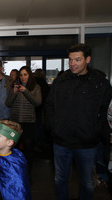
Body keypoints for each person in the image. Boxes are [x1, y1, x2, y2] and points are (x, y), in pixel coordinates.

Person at [45, 43, 112, 200]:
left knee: (87, 183)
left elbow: (105, 111)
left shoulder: (100, 83)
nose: (73, 64)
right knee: (60, 180)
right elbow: (49, 105)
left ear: (87, 59)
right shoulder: (60, 81)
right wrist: (53, 128)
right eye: (70, 60)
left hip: (87, 144)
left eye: (77, 59)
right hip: (61, 142)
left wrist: (99, 132)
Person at [5, 66, 42, 178]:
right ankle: (15, 173)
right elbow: (8, 103)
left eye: (25, 74)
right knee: (13, 149)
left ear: (29, 75)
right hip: (15, 123)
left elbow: (37, 102)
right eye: (21, 75)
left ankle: (27, 175)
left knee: (28, 150)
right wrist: (14, 92)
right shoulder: (15, 86)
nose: (23, 77)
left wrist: (26, 91)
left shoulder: (35, 87)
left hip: (29, 122)